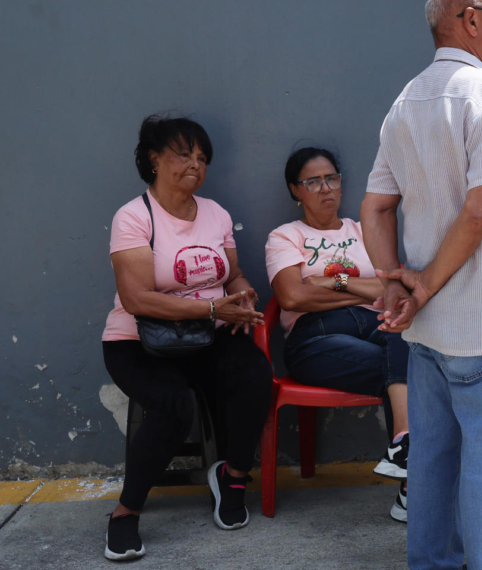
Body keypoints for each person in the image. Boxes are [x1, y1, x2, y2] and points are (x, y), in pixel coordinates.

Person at [359, 1, 482, 568]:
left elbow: (375, 207)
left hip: (427, 333)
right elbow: (480, 208)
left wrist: (394, 284)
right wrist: (421, 286)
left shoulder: (405, 101)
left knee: (433, 465)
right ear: (470, 18)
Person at [100, 115, 271, 561]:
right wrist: (213, 309)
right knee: (174, 406)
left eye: (202, 157)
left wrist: (242, 296)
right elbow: (137, 299)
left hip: (208, 337)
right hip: (139, 343)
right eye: (184, 154)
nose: (196, 164)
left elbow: (233, 274)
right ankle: (125, 512)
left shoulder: (216, 214)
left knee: (255, 375)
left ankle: (232, 479)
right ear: (154, 159)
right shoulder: (133, 217)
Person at [264, 147, 412, 522]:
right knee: (406, 368)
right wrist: (365, 290)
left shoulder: (363, 230)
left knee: (405, 340)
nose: (326, 188)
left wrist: (334, 282)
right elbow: (293, 297)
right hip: (315, 337)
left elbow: (393, 289)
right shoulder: (285, 236)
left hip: (376, 325)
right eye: (313, 182)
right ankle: (413, 481)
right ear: (295, 190)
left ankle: (404, 447)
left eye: (331, 178)